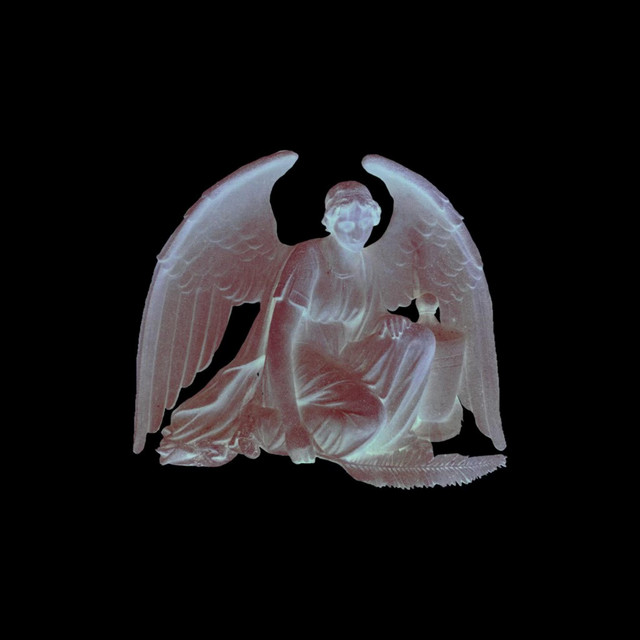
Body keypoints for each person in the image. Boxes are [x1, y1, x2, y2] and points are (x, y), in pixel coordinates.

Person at [158, 182, 438, 466]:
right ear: (330, 222)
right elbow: (279, 337)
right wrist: (293, 426)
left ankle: (390, 438)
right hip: (298, 360)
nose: (357, 233)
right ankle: (262, 424)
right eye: (347, 223)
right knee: (367, 416)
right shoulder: (308, 258)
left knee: (420, 339)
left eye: (364, 223)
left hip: (341, 354)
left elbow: (366, 321)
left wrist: (387, 321)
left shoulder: (364, 263)